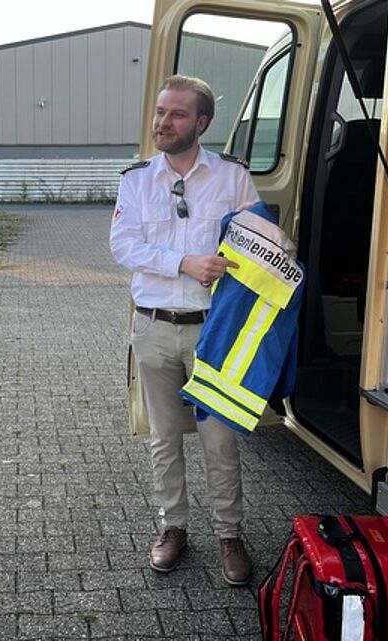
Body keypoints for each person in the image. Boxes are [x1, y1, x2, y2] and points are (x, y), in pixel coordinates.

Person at [109, 74, 260, 584]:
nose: (162, 122)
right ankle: (173, 527)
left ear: (201, 122)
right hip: (152, 329)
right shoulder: (136, 180)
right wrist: (183, 262)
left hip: (213, 331)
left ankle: (229, 533)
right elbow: (123, 247)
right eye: (159, 112)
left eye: (175, 114)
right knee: (164, 439)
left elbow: (257, 245)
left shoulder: (232, 178)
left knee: (221, 440)